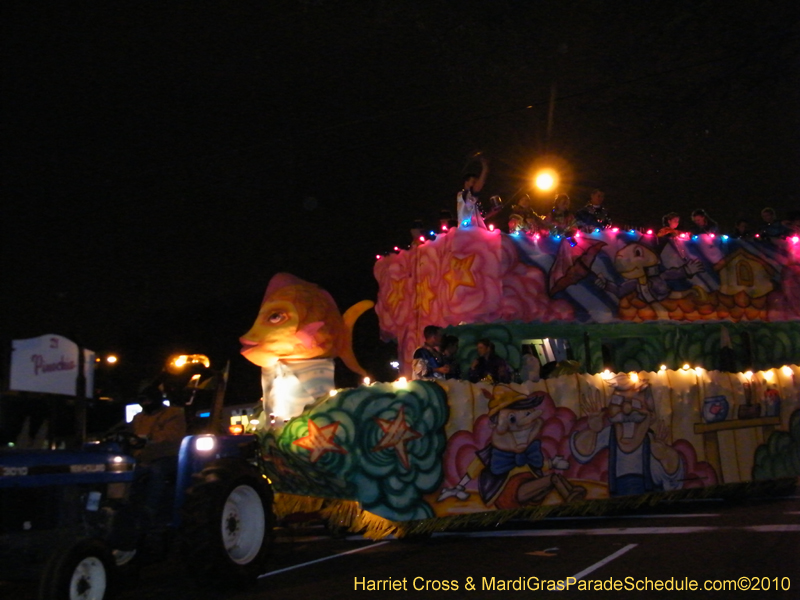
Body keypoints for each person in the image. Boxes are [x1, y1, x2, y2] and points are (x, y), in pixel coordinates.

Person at [457, 156, 489, 228]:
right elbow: (479, 185)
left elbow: (482, 217)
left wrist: (494, 211)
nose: (475, 184)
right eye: (473, 182)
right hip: (467, 232)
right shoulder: (464, 195)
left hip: (473, 233)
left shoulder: (471, 198)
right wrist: (485, 168)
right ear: (466, 182)